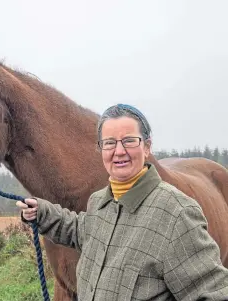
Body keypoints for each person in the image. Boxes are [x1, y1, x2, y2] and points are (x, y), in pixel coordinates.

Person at [16, 104, 228, 301]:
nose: (119, 151)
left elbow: (212, 293)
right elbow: (83, 229)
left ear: (146, 147)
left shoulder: (177, 213)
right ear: (101, 150)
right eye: (109, 143)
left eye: (129, 141)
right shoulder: (100, 201)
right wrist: (42, 213)